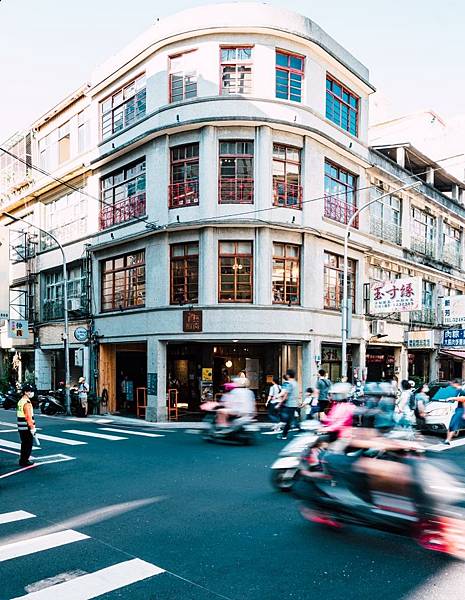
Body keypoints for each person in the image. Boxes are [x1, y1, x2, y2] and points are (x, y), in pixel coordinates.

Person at [17, 383, 37, 467]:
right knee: (28, 444)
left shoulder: (21, 401)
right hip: (26, 427)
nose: (32, 393)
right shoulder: (27, 402)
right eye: (30, 391)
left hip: (21, 427)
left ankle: (23, 460)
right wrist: (32, 428)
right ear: (25, 392)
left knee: (24, 444)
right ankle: (25, 461)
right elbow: (28, 416)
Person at [276, 369, 299, 440]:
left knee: (287, 418)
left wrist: (279, 403)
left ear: (288, 375)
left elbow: (286, 395)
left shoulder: (290, 384)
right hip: (294, 403)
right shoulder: (296, 383)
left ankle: (284, 434)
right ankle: (296, 427)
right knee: (290, 418)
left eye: (286, 374)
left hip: (290, 404)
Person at [444, 378, 465, 445]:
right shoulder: (457, 390)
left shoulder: (462, 391)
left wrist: (464, 413)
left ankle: (448, 439)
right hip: (456, 409)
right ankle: (447, 440)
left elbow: (463, 400)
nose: (451, 384)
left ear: (456, 384)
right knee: (452, 425)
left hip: (460, 410)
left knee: (453, 424)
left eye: (452, 383)